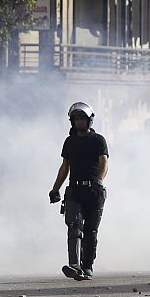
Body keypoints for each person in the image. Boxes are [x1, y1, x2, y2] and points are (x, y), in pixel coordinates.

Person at [49, 102, 109, 281]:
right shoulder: (69, 141)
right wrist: (55, 189)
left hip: (94, 191)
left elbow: (104, 162)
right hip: (74, 190)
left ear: (89, 120)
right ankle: (74, 265)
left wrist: (99, 181)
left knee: (90, 231)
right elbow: (65, 166)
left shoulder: (98, 140)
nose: (79, 122)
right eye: (76, 119)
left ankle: (87, 267)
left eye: (82, 119)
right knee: (74, 226)